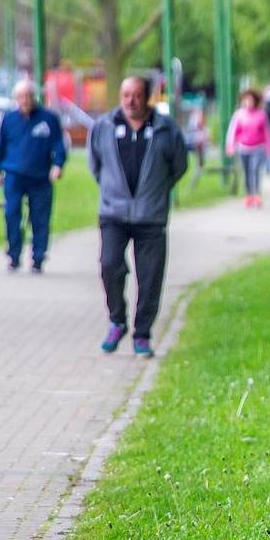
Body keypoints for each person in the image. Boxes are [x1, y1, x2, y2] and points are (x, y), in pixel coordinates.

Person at [87, 75, 189, 358]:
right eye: (126, 95)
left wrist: (155, 190)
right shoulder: (104, 127)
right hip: (113, 213)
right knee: (109, 265)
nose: (131, 101)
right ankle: (117, 320)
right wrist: (112, 189)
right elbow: (95, 165)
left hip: (151, 216)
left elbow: (179, 166)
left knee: (150, 277)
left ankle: (142, 333)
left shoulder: (166, 130)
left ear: (148, 98)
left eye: (137, 95)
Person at [0, 79, 66, 273]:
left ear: (35, 97)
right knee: (12, 214)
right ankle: (14, 255)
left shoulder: (48, 118)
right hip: (14, 175)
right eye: (21, 96)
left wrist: (58, 165)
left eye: (29, 96)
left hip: (40, 176)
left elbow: (58, 144)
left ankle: (38, 257)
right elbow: (1, 146)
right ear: (16, 98)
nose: (25, 100)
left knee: (40, 217)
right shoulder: (9, 119)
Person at [225, 88, 270, 207]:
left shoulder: (261, 114)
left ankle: (257, 194)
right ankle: (248, 194)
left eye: (250, 100)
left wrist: (269, 148)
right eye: (246, 100)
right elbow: (233, 131)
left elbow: (267, 132)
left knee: (255, 170)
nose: (248, 102)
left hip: (258, 148)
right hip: (243, 148)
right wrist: (230, 146)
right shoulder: (239, 114)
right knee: (247, 171)